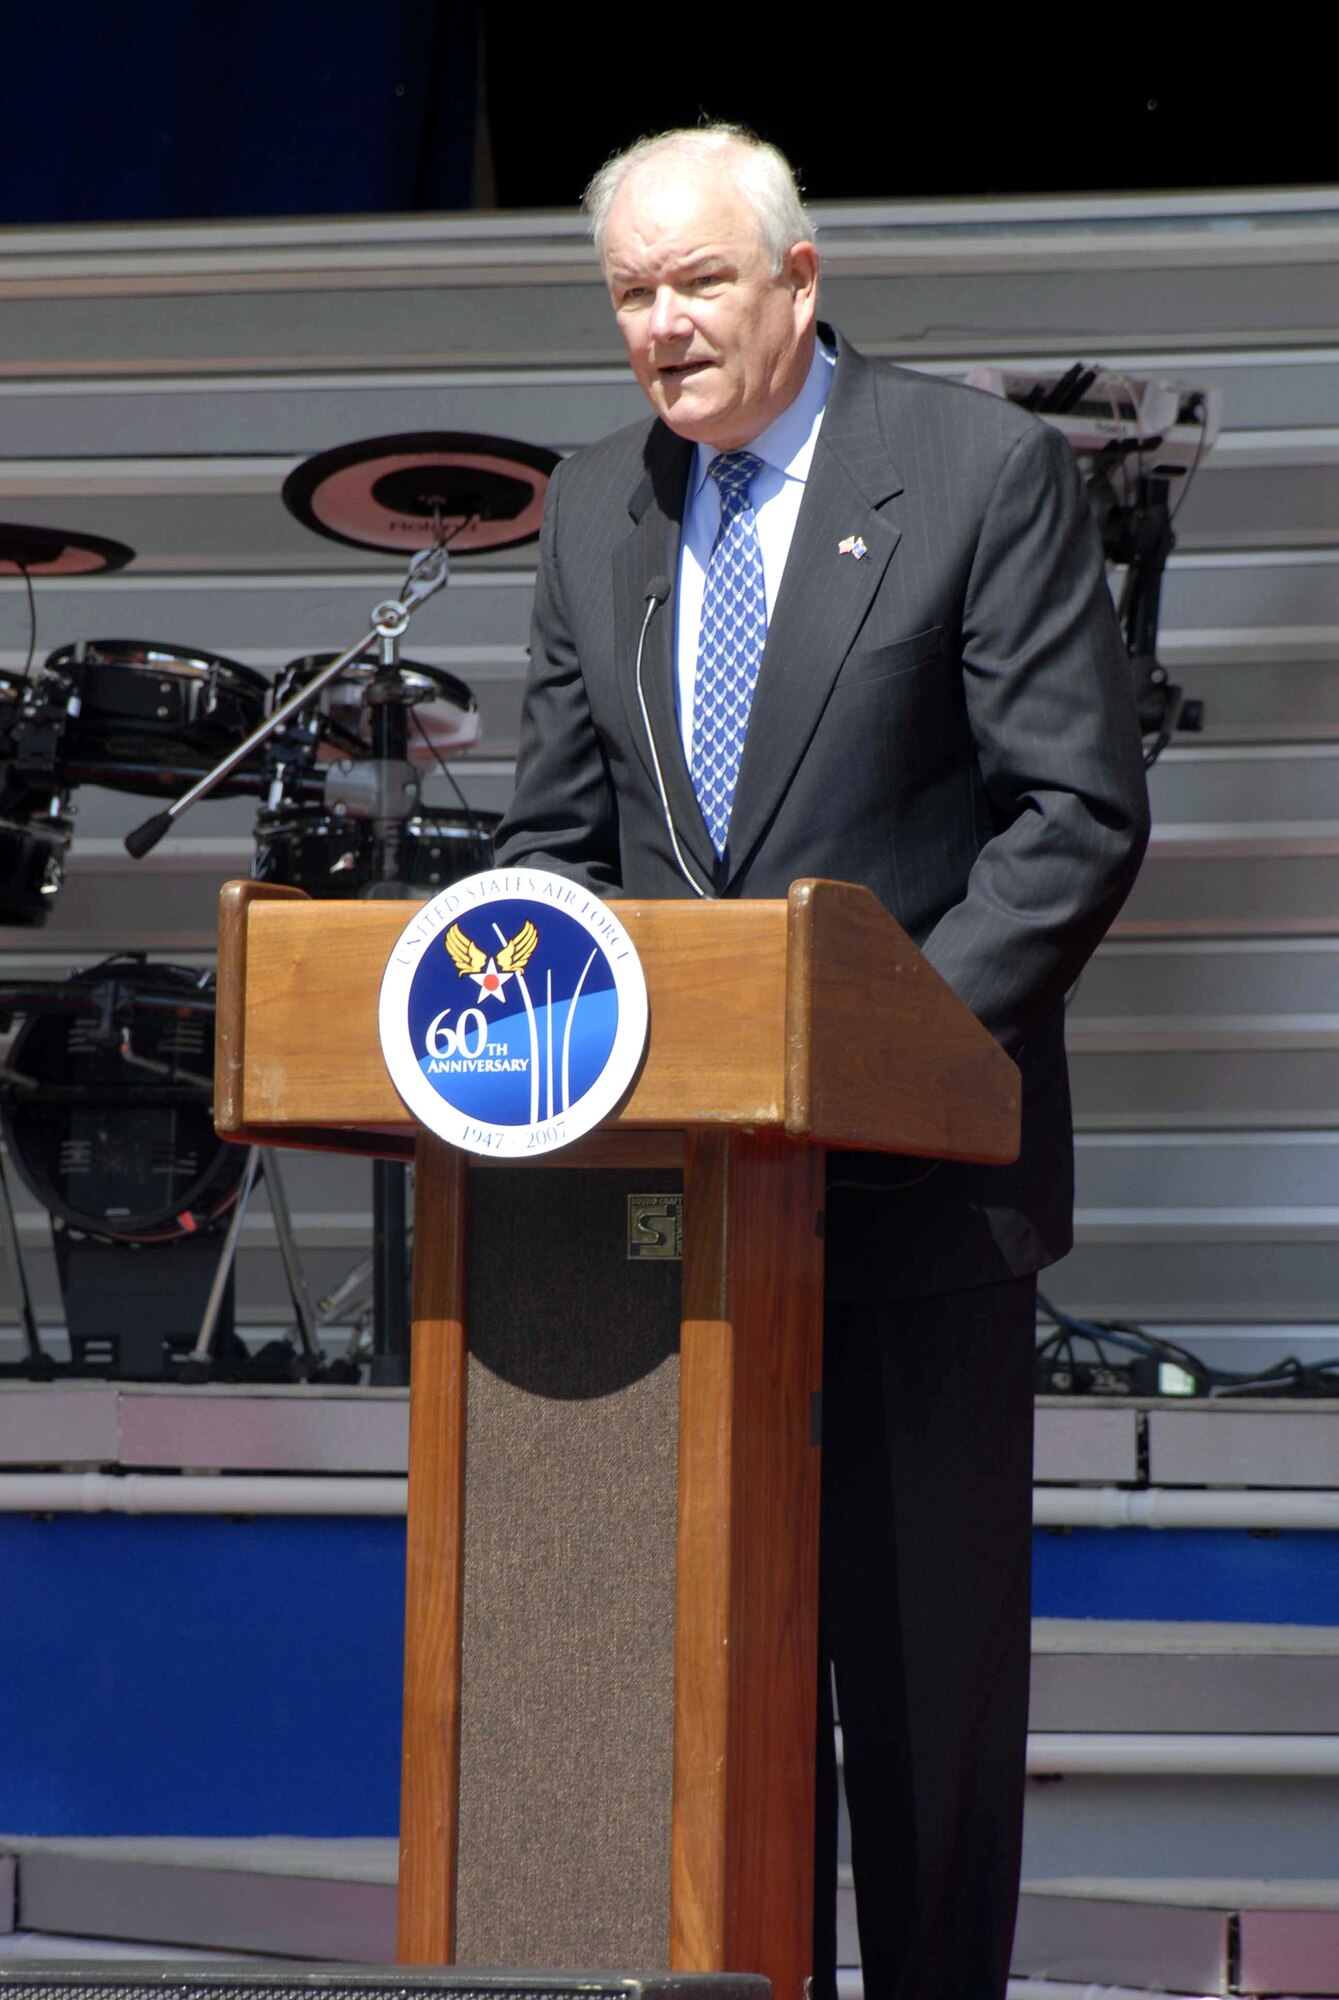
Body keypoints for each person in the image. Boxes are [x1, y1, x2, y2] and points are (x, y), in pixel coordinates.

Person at [494, 124, 1150, 2000]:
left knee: (923, 1725)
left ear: (800, 276)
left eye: (698, 283)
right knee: (712, 1696)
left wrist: (873, 1054)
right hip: (668, 1232)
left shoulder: (973, 471)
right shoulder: (592, 504)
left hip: (913, 1203)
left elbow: (1072, 820)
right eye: (630, 294)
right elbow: (561, 842)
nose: (662, 328)